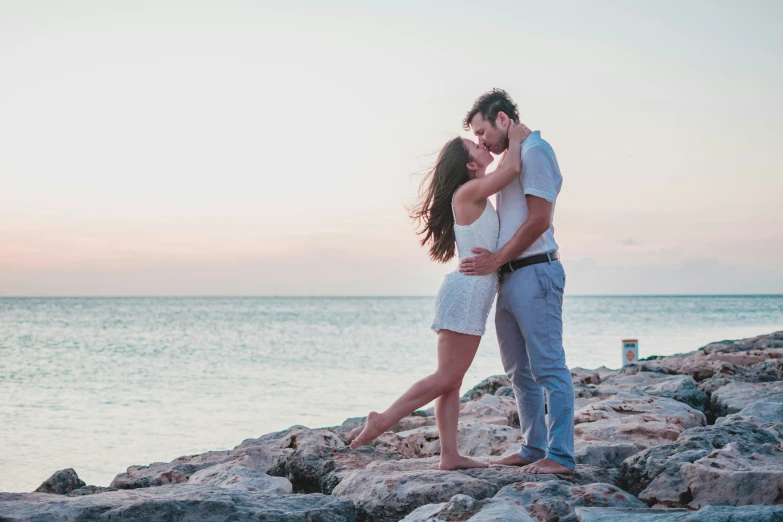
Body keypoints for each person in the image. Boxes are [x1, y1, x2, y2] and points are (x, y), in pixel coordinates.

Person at [347, 123, 532, 470]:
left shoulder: (473, 190)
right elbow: (513, 169)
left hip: (472, 294)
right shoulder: (469, 192)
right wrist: (518, 139)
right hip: (466, 294)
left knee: (452, 378)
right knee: (446, 377)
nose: (480, 143)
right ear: (471, 165)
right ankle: (381, 421)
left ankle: (449, 455)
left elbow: (508, 170)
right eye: (473, 145)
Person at [460, 89, 574, 474]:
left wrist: (497, 258)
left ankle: (560, 455)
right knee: (518, 372)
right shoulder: (512, 157)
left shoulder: (535, 151)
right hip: (508, 277)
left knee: (548, 367)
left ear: (503, 119)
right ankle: (532, 447)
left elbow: (539, 219)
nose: (480, 141)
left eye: (482, 131)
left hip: (534, 270)